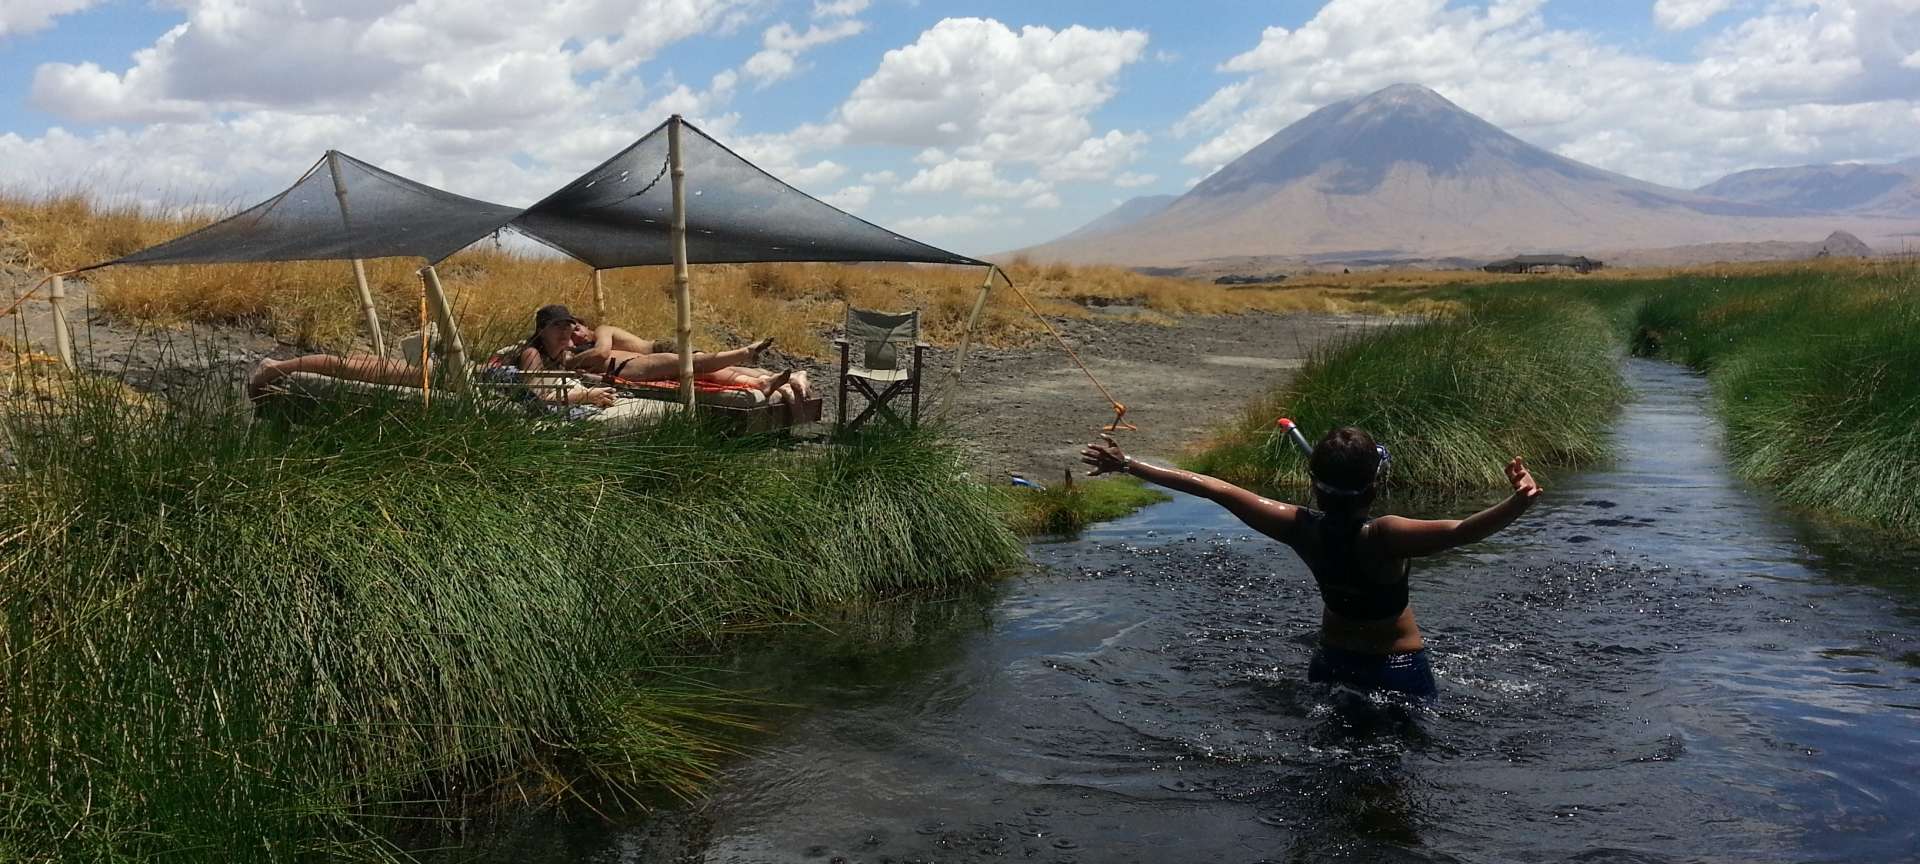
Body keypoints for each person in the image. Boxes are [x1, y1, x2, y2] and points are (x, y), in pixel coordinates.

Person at [1079, 427, 1541, 703]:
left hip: (1331, 664)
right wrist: (1518, 501)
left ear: (1315, 484)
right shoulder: (1386, 535)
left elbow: (1214, 488)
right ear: (1373, 487)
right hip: (1396, 669)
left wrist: (1129, 465)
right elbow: (1462, 531)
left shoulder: (1298, 527)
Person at [517, 305, 803, 405]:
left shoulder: (588, 342)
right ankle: (754, 368)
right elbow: (539, 391)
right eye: (561, 326)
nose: (569, 332)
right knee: (695, 365)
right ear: (542, 330)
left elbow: (597, 355)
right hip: (627, 368)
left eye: (571, 325)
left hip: (634, 362)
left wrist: (576, 362)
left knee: (698, 366)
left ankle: (754, 368)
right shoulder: (538, 353)